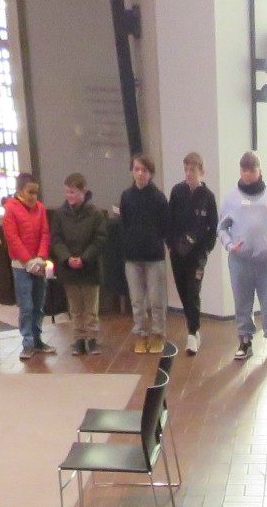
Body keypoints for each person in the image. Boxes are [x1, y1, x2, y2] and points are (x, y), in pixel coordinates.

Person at [217, 152, 267, 362]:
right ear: (240, 171)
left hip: (265, 260)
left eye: (252, 171)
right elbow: (221, 228)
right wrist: (229, 245)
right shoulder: (231, 198)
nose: (248, 175)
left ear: (259, 171)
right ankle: (245, 341)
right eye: (244, 171)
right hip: (240, 261)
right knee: (242, 302)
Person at [117, 154, 171, 356]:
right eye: (137, 169)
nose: (140, 173)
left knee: (156, 300)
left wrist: (154, 241)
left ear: (151, 173)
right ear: (132, 171)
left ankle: (158, 335)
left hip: (153, 257)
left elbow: (165, 226)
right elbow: (124, 224)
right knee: (137, 301)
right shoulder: (126, 196)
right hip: (132, 257)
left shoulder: (158, 197)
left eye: (144, 170)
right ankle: (141, 334)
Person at [52, 172, 110, 357]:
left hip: (89, 267)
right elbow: (56, 239)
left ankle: (92, 339)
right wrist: (67, 258)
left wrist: (84, 258)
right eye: (67, 192)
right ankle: (78, 339)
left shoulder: (95, 214)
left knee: (90, 308)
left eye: (73, 192)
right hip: (69, 268)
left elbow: (100, 239)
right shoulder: (60, 214)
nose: (69, 196)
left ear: (83, 192)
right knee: (75, 308)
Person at [168, 152, 216, 356]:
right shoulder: (177, 192)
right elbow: (169, 220)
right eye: (186, 169)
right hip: (178, 253)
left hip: (197, 255)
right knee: (183, 291)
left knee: (193, 290)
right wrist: (171, 245)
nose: (189, 173)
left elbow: (212, 227)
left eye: (193, 170)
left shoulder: (208, 197)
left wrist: (205, 249)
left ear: (201, 171)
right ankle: (193, 325)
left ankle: (192, 331)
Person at [0, 172, 52, 360]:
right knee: (26, 304)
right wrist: (27, 260)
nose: (33, 197)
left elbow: (45, 234)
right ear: (20, 191)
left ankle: (38, 339)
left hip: (37, 264)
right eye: (30, 192)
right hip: (21, 266)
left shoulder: (40, 208)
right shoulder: (11, 210)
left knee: (39, 303)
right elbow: (12, 238)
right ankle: (28, 342)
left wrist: (40, 257)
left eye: (36, 193)